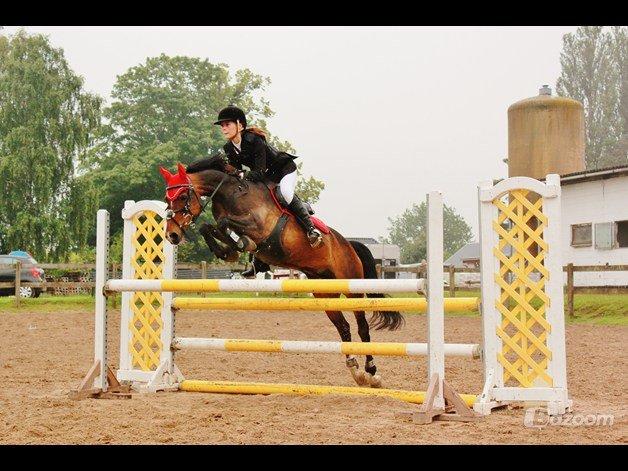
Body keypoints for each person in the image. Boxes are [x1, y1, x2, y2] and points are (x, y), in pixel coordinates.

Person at [214, 105, 323, 278]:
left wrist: (240, 173)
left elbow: (256, 172)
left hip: (284, 170)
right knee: (255, 213)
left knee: (285, 193)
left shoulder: (254, 140)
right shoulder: (229, 148)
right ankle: (259, 263)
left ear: (240, 125)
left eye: (227, 124)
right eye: (222, 125)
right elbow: (238, 175)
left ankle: (311, 230)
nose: (224, 128)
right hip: (265, 177)